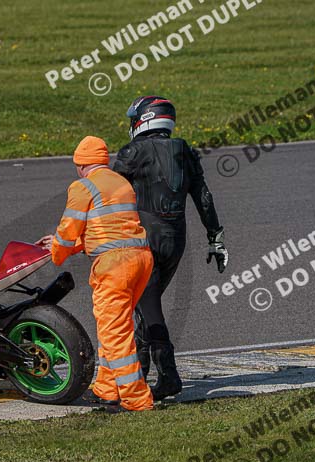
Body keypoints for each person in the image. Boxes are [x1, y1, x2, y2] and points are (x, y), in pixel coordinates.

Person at [112, 96, 228, 400]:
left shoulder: (132, 152)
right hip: (176, 241)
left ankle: (168, 375)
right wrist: (215, 237)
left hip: (145, 240)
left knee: (148, 309)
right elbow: (203, 198)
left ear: (143, 119)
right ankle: (139, 370)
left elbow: (108, 196)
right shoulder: (185, 151)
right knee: (144, 305)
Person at [37, 136, 154, 412]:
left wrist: (57, 250)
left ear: (80, 164)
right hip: (141, 258)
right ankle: (106, 388)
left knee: (115, 332)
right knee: (113, 325)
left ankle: (137, 399)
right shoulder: (120, 182)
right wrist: (63, 242)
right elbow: (106, 228)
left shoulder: (83, 186)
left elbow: (69, 230)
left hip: (115, 265)